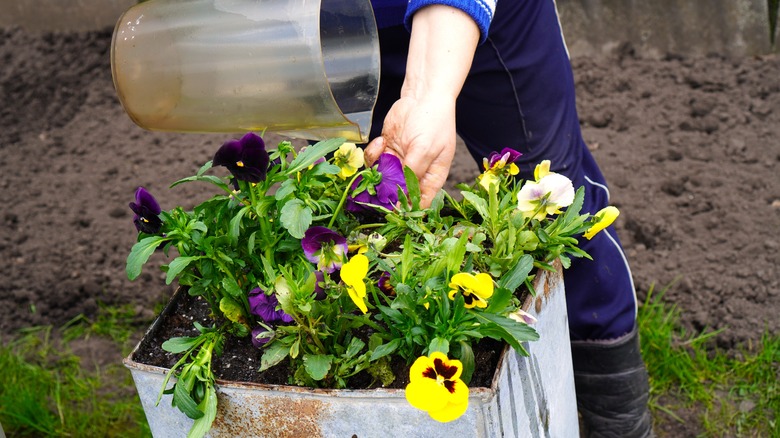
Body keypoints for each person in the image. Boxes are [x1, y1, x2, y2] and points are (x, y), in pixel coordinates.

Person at [363, 1, 653, 436]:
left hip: (489, 13)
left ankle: (619, 420)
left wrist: (427, 94)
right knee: (359, 215)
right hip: (329, 28)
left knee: (560, 210)